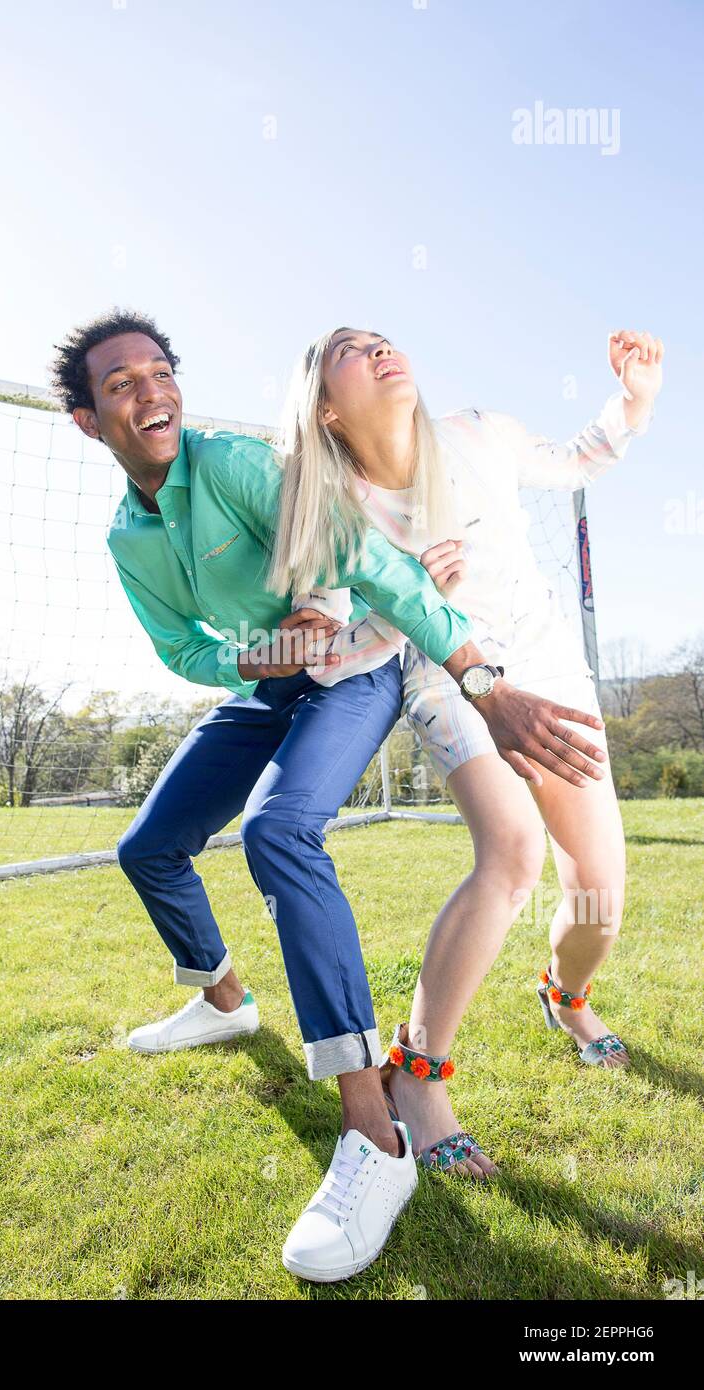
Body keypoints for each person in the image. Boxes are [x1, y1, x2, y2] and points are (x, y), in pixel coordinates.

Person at [50, 308, 606, 1281]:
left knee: (277, 831)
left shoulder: (232, 465)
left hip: (353, 672)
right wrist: (263, 651)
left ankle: (374, 1131)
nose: (151, 391)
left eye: (159, 371)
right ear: (89, 421)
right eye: (121, 384)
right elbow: (183, 645)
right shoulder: (126, 539)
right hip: (270, 683)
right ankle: (224, 1002)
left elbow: (357, 554)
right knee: (148, 846)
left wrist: (477, 677)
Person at [269, 324, 662, 1180]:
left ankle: (566, 997)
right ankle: (418, 1073)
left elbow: (581, 456)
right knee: (514, 855)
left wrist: (631, 402)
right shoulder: (330, 515)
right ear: (327, 408)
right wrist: (405, 590)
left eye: (381, 338)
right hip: (446, 679)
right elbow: (329, 658)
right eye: (350, 350)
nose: (380, 350)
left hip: (550, 666)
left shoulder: (479, 431)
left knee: (597, 897)